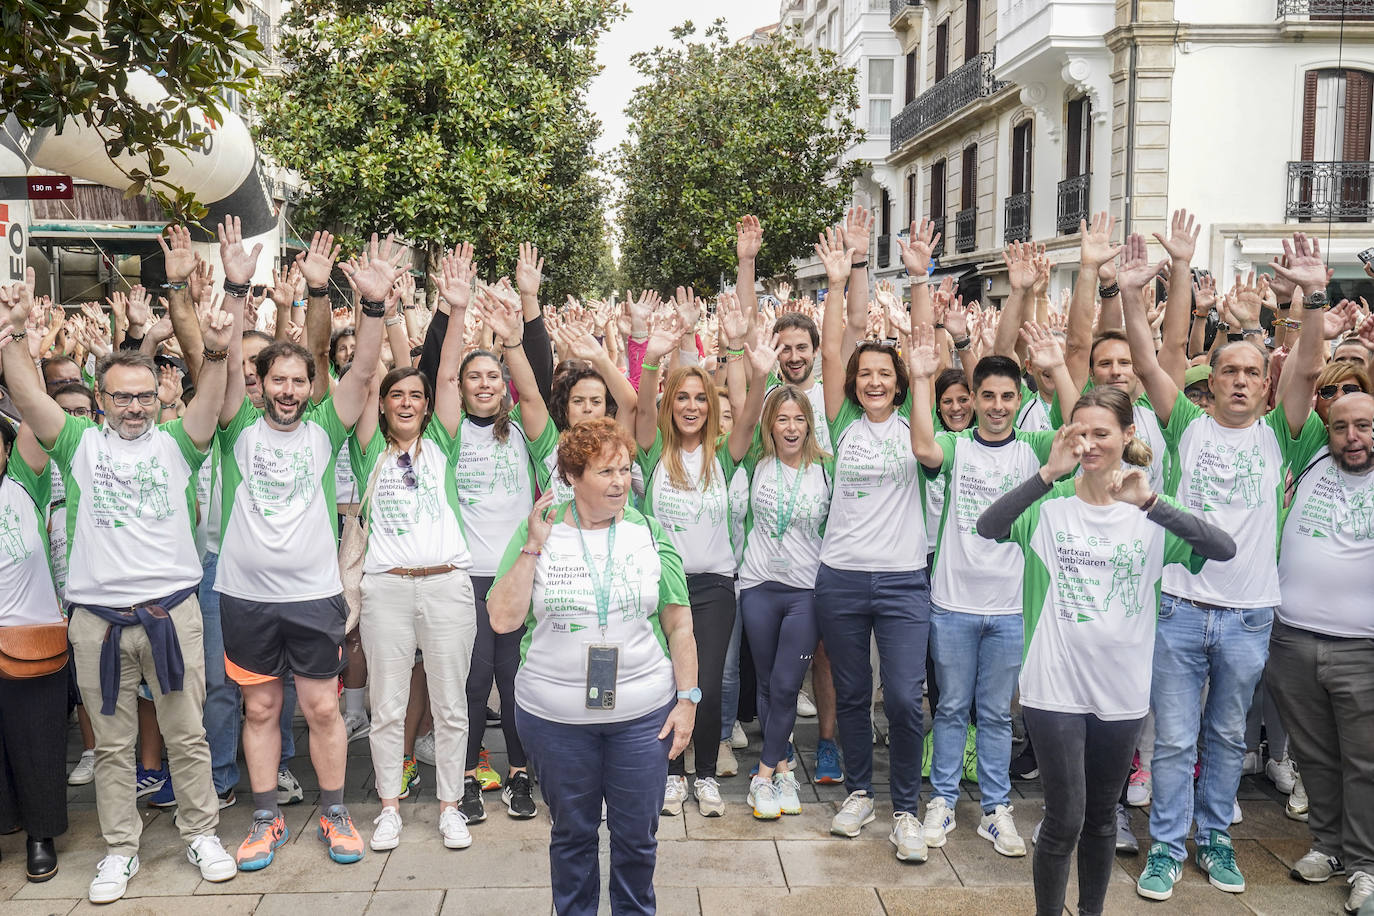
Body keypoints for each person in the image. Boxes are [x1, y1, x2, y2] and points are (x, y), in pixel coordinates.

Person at [0, 264, 239, 903]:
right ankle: (120, 849)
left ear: (159, 398)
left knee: (186, 732)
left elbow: (212, 401)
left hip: (172, 614)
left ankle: (201, 832)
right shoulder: (78, 443)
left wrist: (216, 349)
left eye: (144, 396)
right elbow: (27, 397)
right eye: (121, 397)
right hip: (98, 622)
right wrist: (11, 336)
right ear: (101, 398)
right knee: (112, 745)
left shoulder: (177, 443)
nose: (134, 407)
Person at [1116, 230, 1341, 901]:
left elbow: (1305, 367)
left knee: (1223, 737)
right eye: (1229, 373)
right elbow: (1154, 362)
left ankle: (1213, 839)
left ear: (1263, 382)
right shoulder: (1185, 424)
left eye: (1251, 373)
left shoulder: (1283, 433)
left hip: (1247, 616)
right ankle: (1165, 845)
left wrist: (1310, 295)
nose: (1241, 381)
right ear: (1210, 384)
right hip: (1181, 608)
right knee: (1176, 739)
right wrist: (1133, 296)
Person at [975, 385, 1235, 916]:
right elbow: (988, 525)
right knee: (1065, 816)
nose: (1090, 444)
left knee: (1099, 819)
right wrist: (1047, 473)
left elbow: (1223, 548)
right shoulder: (1049, 509)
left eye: (1102, 433)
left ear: (1127, 436)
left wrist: (1152, 502)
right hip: (1055, 684)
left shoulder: (1150, 514)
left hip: (1122, 688)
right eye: (1081, 432)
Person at [218, 229, 391, 871]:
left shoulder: (325, 428)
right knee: (260, 706)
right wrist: (237, 289)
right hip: (245, 597)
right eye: (277, 381)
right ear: (259, 384)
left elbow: (366, 369)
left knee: (322, 707)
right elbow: (226, 354)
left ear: (309, 385)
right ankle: (264, 820)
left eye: (298, 381)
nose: (288, 391)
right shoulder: (236, 428)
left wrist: (371, 307)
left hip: (314, 595)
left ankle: (336, 813)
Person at [487, 419, 698, 916]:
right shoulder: (540, 528)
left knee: (636, 840)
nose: (620, 482)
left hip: (642, 718)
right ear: (573, 476)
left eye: (625, 470)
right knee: (573, 836)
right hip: (555, 721)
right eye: (605, 471)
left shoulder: (648, 531)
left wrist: (688, 700)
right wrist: (533, 545)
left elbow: (681, 625)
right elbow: (502, 618)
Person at [909, 326, 1075, 859]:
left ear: (1020, 400)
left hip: (1010, 610)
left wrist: (1060, 368)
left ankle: (996, 808)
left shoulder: (1033, 447)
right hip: (953, 606)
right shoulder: (957, 446)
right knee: (953, 706)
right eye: (988, 396)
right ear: (974, 400)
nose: (998, 406)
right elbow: (923, 447)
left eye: (1008, 396)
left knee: (998, 714)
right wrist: (918, 378)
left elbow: (1078, 430)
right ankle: (942, 799)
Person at [354, 245, 487, 853]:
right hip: (385, 587)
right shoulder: (365, 450)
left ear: (428, 407)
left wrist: (455, 312)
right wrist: (377, 307)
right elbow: (360, 369)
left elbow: (448, 372)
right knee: (387, 705)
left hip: (446, 584)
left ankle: (451, 805)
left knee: (450, 703)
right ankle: (388, 807)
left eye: (416, 397)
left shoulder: (446, 445)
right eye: (396, 396)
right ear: (384, 405)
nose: (407, 402)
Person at [815, 215, 933, 862]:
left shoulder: (915, 419)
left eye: (885, 373)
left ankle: (908, 811)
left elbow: (921, 350)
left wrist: (918, 278)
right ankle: (860, 791)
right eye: (867, 375)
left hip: (903, 582)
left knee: (908, 702)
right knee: (855, 695)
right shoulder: (842, 424)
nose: (875, 380)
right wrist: (839, 281)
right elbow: (834, 350)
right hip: (840, 578)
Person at [636, 294, 770, 817]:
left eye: (699, 398)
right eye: (681, 398)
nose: (691, 405)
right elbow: (643, 404)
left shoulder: (726, 457)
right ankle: (671, 774)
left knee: (706, 685)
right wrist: (653, 357)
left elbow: (752, 414)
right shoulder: (652, 453)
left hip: (715, 587)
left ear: (710, 407)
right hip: (664, 585)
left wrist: (755, 373)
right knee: (668, 681)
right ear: (672, 406)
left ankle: (706, 775)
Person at [1268, 390, 1374, 914]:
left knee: (1365, 761)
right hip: (1293, 639)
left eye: (1364, 426)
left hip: (1363, 647)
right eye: (1341, 427)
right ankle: (1328, 847)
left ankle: (1366, 865)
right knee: (1316, 757)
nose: (1352, 437)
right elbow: (1304, 375)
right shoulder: (1308, 459)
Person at [736, 384, 832, 819]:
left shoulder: (824, 470)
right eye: (782, 419)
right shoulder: (755, 463)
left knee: (787, 685)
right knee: (767, 681)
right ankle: (784, 767)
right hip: (758, 585)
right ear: (769, 425)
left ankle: (760, 776)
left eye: (799, 419)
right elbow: (742, 398)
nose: (791, 428)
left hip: (804, 591)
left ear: (809, 424)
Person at [0, 413, 69, 882]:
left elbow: (34, 422)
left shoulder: (22, 485)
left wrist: (20, 347)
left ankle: (40, 837)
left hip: (29, 640)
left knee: (37, 743)